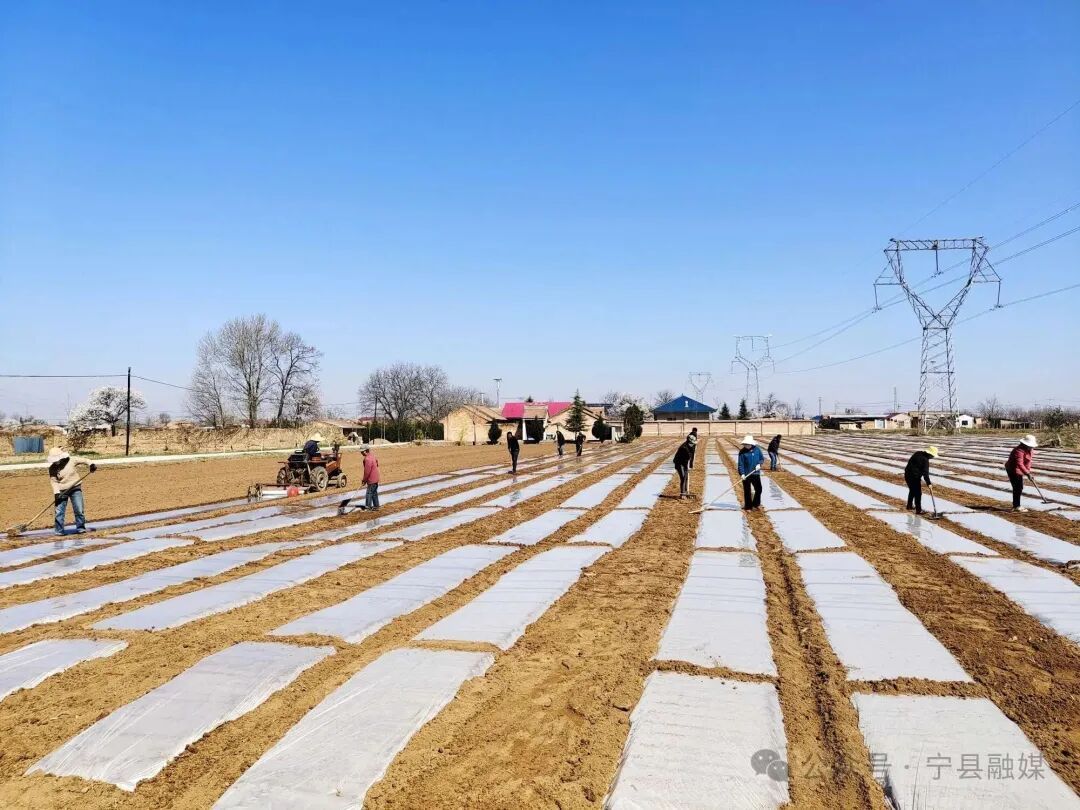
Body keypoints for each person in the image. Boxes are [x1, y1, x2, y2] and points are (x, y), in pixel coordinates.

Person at [47, 448, 96, 535]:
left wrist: (91, 464)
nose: (56, 462)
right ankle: (59, 531)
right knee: (59, 512)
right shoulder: (52, 468)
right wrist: (56, 493)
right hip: (62, 491)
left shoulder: (71, 460)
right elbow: (54, 481)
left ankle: (81, 529)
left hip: (75, 488)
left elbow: (85, 460)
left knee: (79, 509)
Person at [1004, 434, 1037, 512]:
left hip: (1019, 469)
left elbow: (1028, 462)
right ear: (1025, 444)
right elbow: (1020, 464)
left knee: (1019, 487)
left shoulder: (1030, 450)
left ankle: (1016, 505)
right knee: (1017, 487)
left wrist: (1028, 472)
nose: (1031, 447)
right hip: (1012, 469)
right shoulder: (1018, 451)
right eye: (1030, 446)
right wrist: (1027, 473)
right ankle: (1016, 506)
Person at [904, 445, 938, 515]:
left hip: (907, 475)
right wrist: (929, 483)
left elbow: (910, 463)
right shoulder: (925, 460)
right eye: (932, 456)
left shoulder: (917, 453)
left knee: (912, 490)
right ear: (930, 454)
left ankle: (909, 506)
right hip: (915, 478)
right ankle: (918, 510)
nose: (933, 457)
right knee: (918, 493)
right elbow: (925, 474)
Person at [737, 434, 764, 510]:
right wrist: (742, 474)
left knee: (759, 489)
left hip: (755, 473)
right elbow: (740, 464)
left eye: (748, 444)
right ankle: (748, 506)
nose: (746, 446)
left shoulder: (757, 450)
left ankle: (756, 504)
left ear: (751, 444)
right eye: (745, 444)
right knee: (747, 491)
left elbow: (761, 458)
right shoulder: (742, 452)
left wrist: (759, 464)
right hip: (746, 474)